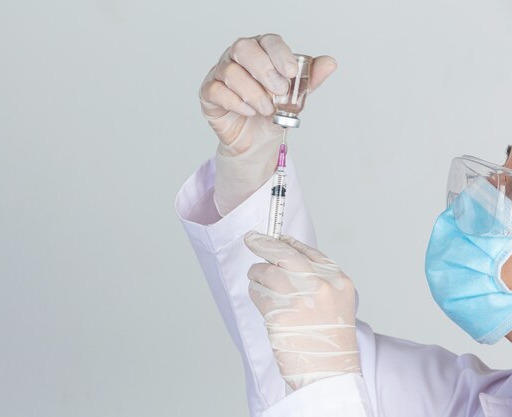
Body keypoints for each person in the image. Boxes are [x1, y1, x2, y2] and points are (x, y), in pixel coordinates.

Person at [174, 34, 512, 417]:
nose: (486, 193)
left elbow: (324, 382)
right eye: (506, 159)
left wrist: (325, 392)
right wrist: (252, 169)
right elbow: (299, 354)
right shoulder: (465, 401)